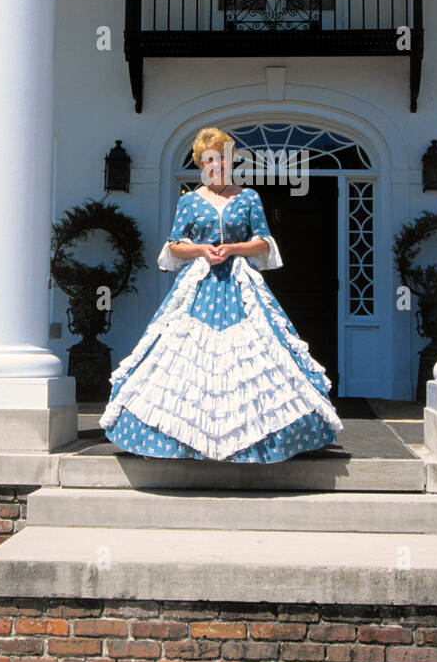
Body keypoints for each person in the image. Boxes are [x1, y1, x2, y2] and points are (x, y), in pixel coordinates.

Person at [98, 125, 343, 462]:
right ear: (202, 163)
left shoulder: (249, 197)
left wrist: (232, 248)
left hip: (240, 285)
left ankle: (259, 441)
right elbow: (173, 246)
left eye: (223, 160)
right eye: (210, 160)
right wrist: (200, 250)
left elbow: (263, 243)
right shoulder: (189, 201)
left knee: (258, 354)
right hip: (198, 288)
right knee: (180, 357)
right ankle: (181, 442)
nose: (217, 167)